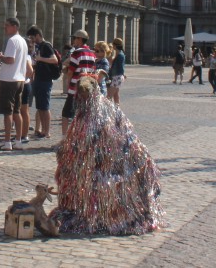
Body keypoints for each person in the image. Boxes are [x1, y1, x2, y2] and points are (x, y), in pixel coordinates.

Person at [50, 76, 163, 235]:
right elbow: (78, 140)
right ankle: (89, 211)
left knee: (101, 184)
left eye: (85, 97)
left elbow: (113, 139)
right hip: (92, 163)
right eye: (81, 97)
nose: (83, 100)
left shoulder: (105, 111)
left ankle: (103, 214)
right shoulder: (83, 114)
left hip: (112, 164)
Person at [0, 17, 28, 151]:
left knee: (8, 112)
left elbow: (11, 60)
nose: (5, 28)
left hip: (9, 80)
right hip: (20, 79)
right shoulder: (23, 41)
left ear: (14, 26)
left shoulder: (12, 40)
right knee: (17, 111)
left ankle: (7, 141)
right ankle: (18, 140)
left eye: (6, 26)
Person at [61, 30, 96, 137]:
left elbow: (71, 71)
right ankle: (81, 137)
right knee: (82, 115)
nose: (73, 40)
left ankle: (65, 138)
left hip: (75, 88)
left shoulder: (77, 53)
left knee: (66, 114)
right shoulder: (92, 53)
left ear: (80, 39)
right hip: (87, 89)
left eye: (75, 38)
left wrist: (68, 80)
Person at [29, 26, 58, 137]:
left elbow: (54, 60)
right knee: (40, 106)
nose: (31, 40)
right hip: (39, 78)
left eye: (32, 37)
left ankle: (47, 131)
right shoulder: (39, 46)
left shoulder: (46, 46)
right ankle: (42, 131)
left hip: (45, 80)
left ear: (37, 35)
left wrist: (41, 59)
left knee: (45, 107)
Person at [17, 32, 36, 145]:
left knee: (23, 111)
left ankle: (23, 135)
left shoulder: (25, 56)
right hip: (27, 84)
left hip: (24, 84)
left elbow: (30, 71)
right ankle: (23, 135)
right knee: (24, 111)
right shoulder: (27, 55)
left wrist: (22, 77)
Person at [108, 37, 126, 105]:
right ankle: (117, 111)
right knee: (116, 95)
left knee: (109, 96)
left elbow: (120, 67)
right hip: (118, 77)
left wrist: (123, 74)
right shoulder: (119, 54)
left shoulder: (120, 55)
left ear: (115, 45)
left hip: (117, 77)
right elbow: (112, 62)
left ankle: (110, 112)